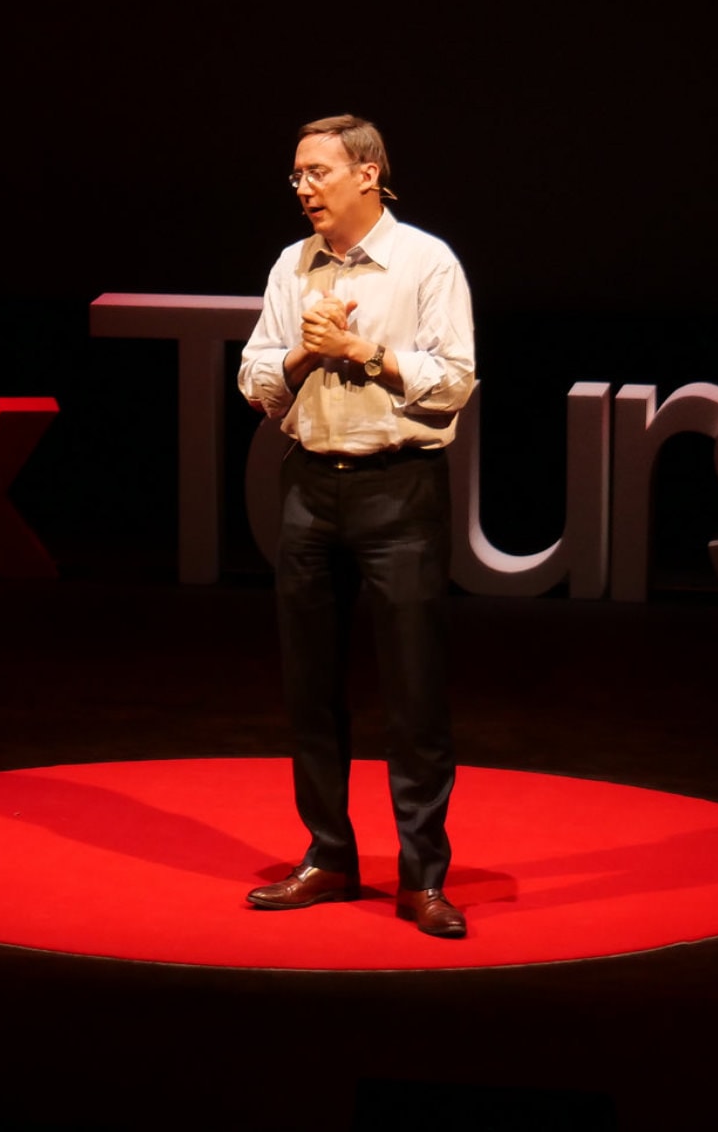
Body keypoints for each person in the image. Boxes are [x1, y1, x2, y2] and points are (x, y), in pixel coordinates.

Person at [235, 114, 479, 938]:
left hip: (399, 490)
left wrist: (366, 353)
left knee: (414, 696)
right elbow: (256, 379)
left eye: (317, 172)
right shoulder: (289, 265)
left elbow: (453, 384)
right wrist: (307, 354)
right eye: (297, 175)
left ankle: (422, 878)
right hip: (308, 488)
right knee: (311, 688)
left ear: (368, 174)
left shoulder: (426, 262)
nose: (302, 187)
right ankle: (328, 856)